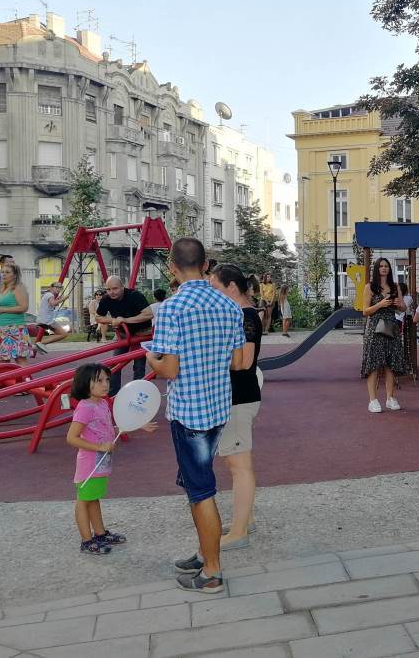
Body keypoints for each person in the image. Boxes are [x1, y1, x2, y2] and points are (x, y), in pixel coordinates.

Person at [145, 238, 245, 594]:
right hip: (218, 406)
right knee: (195, 484)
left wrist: (150, 358)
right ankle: (205, 552)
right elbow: (237, 362)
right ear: (205, 265)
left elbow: (168, 368)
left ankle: (212, 571)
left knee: (200, 491)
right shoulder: (229, 305)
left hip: (189, 412)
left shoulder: (172, 309)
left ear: (172, 267)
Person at [66, 363, 156, 556]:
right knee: (83, 501)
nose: (105, 384)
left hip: (102, 461)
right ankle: (86, 540)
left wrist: (138, 425)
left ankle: (100, 533)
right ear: (84, 383)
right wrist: (99, 447)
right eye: (99, 380)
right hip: (89, 464)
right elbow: (71, 438)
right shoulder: (85, 408)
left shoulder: (103, 403)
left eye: (107, 379)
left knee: (93, 499)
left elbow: (107, 431)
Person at [209, 264, 262, 550]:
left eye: (216, 288)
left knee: (239, 466)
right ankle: (245, 519)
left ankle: (239, 531)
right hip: (239, 397)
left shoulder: (245, 316)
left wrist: (212, 356)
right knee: (237, 464)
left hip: (239, 398)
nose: (213, 294)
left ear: (231, 287)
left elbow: (244, 362)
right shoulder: (243, 315)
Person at [361, 257, 408, 412]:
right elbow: (365, 311)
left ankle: (390, 397)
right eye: (381, 266)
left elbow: (403, 308)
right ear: (376, 269)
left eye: (386, 266)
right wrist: (380, 304)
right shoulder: (370, 287)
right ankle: (372, 400)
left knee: (391, 364)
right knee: (374, 363)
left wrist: (398, 304)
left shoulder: (395, 286)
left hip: (391, 327)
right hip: (375, 328)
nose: (384, 268)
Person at [95, 276, 153, 395]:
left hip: (141, 333)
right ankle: (112, 394)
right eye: (109, 289)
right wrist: (112, 320)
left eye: (115, 288)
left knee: (139, 365)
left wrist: (125, 320)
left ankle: (137, 393)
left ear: (122, 287)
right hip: (123, 334)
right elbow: (98, 317)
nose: (112, 292)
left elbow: (148, 314)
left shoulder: (135, 295)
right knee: (115, 363)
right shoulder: (106, 299)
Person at [0, 263, 33, 366]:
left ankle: (27, 381)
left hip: (15, 328)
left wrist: (2, 309)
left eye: (7, 272)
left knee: (20, 359)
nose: (3, 275)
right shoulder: (3, 289)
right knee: (3, 360)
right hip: (2, 328)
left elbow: (24, 307)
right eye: (2, 272)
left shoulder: (18, 288)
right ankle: (8, 382)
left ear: (15, 275)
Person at [35, 281, 69, 352]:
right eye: (56, 287)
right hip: (47, 321)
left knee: (59, 334)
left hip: (43, 319)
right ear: (51, 288)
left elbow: (52, 304)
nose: (58, 289)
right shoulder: (50, 295)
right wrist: (64, 298)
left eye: (60, 287)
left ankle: (40, 346)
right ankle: (41, 344)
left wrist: (58, 299)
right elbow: (53, 303)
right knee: (64, 334)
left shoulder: (48, 295)